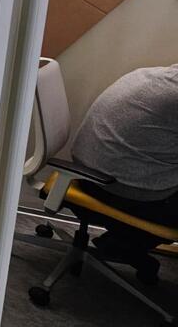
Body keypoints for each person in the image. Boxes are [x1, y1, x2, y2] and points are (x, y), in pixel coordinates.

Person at [70, 64, 178, 274]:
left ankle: (123, 242)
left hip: (89, 169)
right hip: (117, 189)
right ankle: (126, 243)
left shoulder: (155, 74)